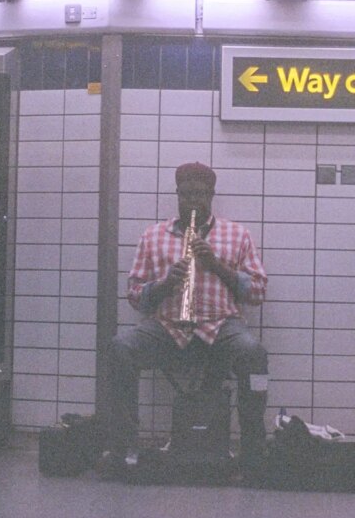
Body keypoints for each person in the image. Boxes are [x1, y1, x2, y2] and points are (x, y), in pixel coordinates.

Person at [98, 161, 269, 479]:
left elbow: (257, 291)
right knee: (121, 348)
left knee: (254, 354)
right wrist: (165, 284)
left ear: (212, 194)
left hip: (220, 326)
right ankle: (123, 449)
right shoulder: (153, 236)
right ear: (177, 193)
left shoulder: (237, 234)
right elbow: (135, 295)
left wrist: (215, 264)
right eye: (187, 194)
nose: (194, 201)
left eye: (201, 195)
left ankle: (253, 454)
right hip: (168, 326)